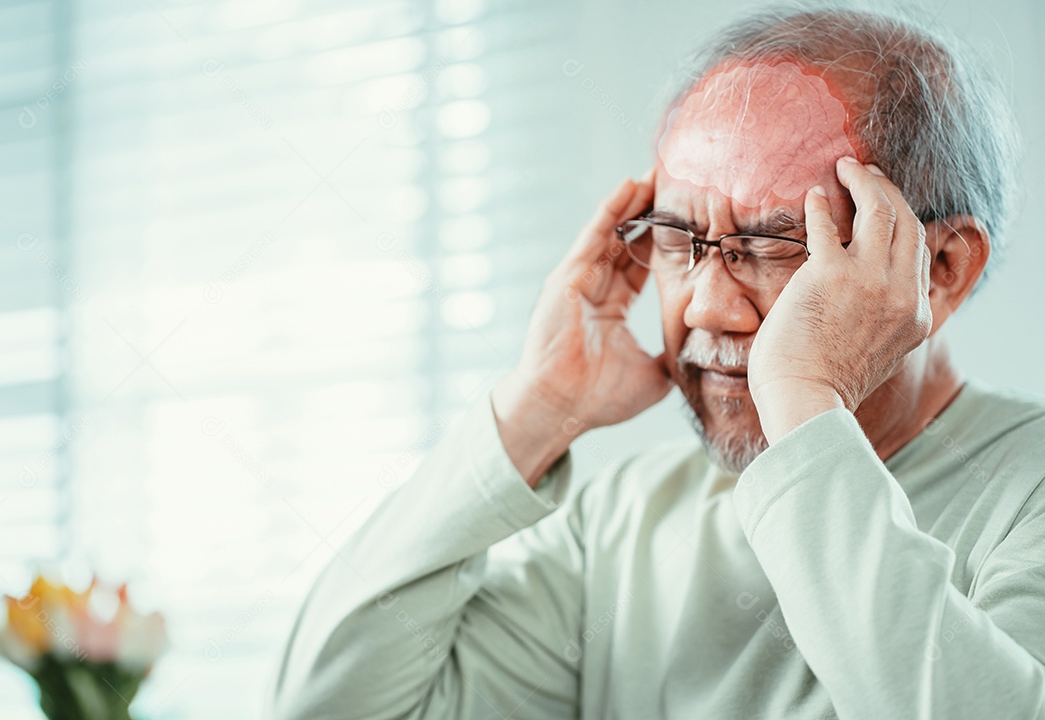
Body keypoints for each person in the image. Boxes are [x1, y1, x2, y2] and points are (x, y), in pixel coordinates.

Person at [272, 5, 1045, 719]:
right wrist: (533, 411)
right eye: (678, 239)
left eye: (775, 243)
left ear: (940, 268)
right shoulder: (617, 525)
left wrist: (806, 401)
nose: (707, 307)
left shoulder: (1028, 490)